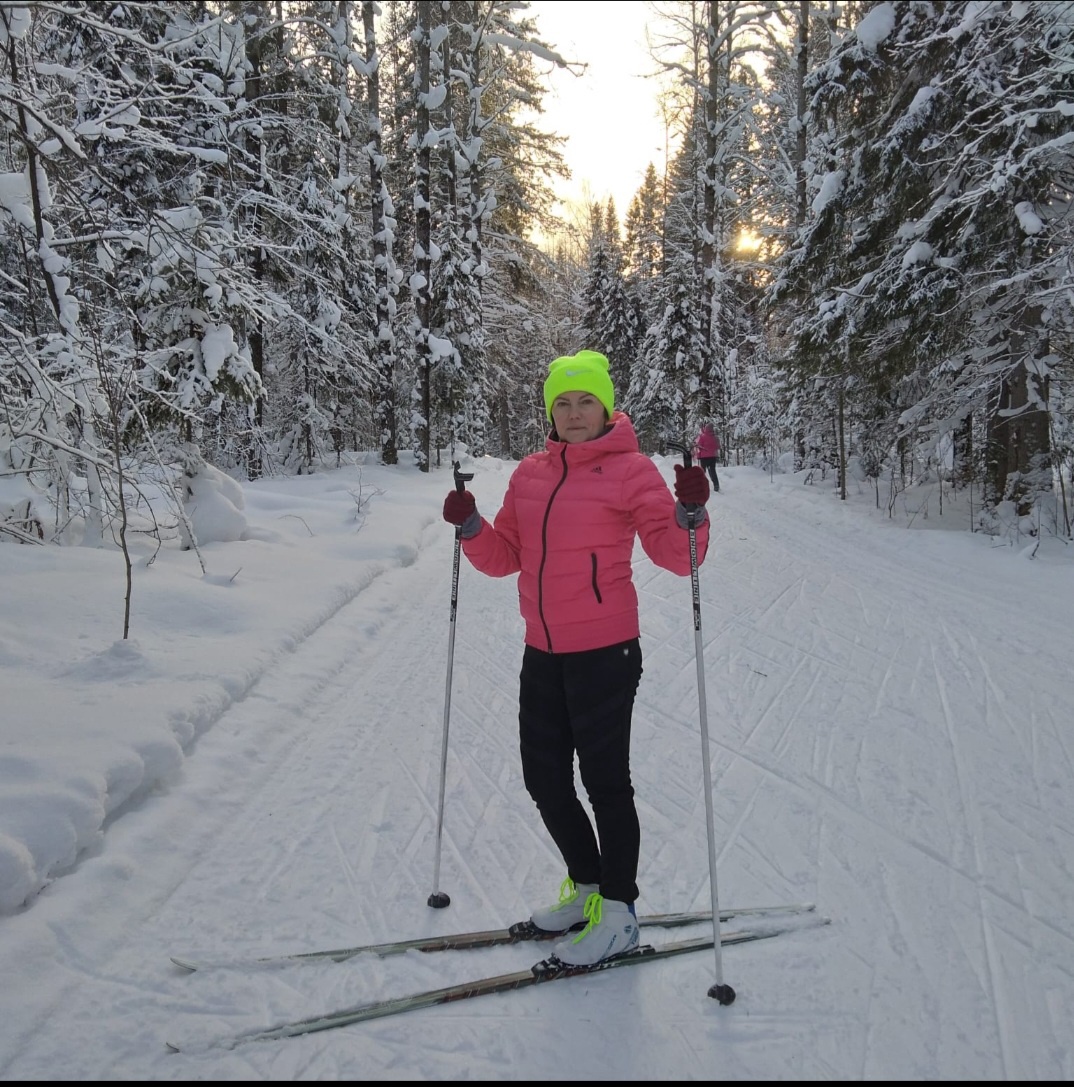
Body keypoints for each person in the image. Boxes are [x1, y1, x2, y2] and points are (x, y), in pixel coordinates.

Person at [441, 350, 712, 966]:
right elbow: (505, 554)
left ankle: (618, 912)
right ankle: (588, 888)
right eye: (561, 402)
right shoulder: (530, 474)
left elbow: (678, 556)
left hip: (606, 651)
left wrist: (690, 513)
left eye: (586, 399)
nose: (574, 412)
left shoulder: (630, 470)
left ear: (607, 404)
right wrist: (471, 527)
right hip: (542, 649)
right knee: (544, 780)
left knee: (605, 781)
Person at [693, 422, 720, 493]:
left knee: (702, 472)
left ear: (706, 428)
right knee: (713, 471)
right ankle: (716, 485)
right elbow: (717, 447)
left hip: (704, 458)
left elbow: (699, 447)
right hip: (713, 457)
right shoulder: (715, 437)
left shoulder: (702, 436)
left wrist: (698, 456)